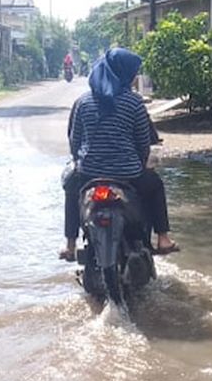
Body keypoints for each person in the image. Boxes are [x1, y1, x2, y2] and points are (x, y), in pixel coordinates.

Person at [59, 48, 177, 262]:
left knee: (70, 186)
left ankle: (69, 244)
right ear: (123, 74)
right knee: (155, 185)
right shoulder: (134, 103)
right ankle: (163, 238)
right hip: (128, 175)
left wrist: (80, 160)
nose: (134, 78)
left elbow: (74, 142)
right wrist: (139, 163)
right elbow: (143, 143)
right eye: (132, 74)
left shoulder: (83, 102)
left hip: (88, 174)